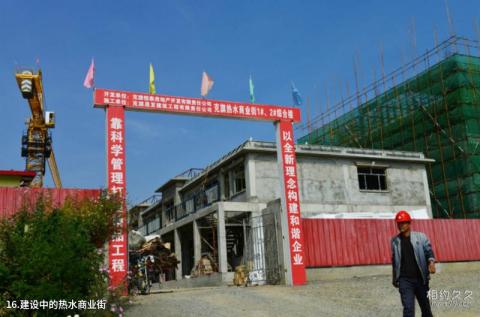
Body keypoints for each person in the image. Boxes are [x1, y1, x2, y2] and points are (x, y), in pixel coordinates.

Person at [391, 210, 436, 317]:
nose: (401, 225)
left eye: (403, 223)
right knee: (408, 309)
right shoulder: (395, 241)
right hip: (405, 280)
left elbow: (429, 251)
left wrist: (431, 262)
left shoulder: (421, 237)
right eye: (399, 223)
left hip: (421, 278)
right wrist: (394, 278)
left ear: (409, 223)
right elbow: (394, 261)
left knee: (426, 309)